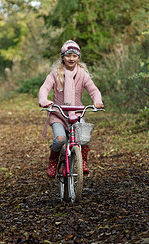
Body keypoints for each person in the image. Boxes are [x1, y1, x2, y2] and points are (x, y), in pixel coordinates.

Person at [39, 40, 104, 178]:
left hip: (77, 114)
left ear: (78, 58)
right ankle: (53, 160)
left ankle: (82, 162)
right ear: (63, 57)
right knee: (61, 139)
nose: (71, 58)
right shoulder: (55, 73)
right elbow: (45, 87)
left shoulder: (82, 74)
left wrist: (97, 101)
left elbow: (93, 90)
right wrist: (44, 100)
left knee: (84, 138)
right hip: (59, 114)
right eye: (68, 55)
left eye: (75, 56)